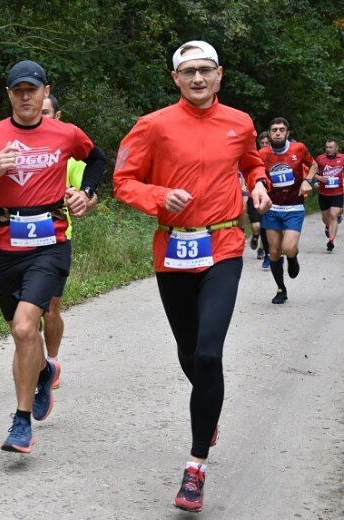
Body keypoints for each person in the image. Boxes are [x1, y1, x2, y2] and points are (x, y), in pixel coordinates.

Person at [112, 41, 271, 512]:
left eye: (206, 71)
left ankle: (195, 466)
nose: (198, 79)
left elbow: (250, 160)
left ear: (220, 75)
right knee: (188, 351)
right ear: (175, 78)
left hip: (223, 244)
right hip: (174, 249)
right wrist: (159, 196)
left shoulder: (240, 122)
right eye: (189, 72)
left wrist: (259, 183)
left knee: (207, 350)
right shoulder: (153, 125)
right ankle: (209, 406)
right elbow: (124, 181)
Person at [0, 60, 105, 454]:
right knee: (21, 335)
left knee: (25, 329)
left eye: (32, 89)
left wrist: (86, 192)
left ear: (45, 93)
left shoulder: (65, 133)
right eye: (18, 90)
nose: (25, 96)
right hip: (4, 249)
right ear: (8, 95)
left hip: (50, 243)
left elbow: (98, 159)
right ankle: (42, 372)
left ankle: (21, 424)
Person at [0, 93, 91, 390]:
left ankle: (51, 360)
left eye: (47, 112)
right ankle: (36, 366)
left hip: (53, 241)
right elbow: (10, 191)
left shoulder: (68, 153)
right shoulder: (13, 147)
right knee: (23, 324)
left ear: (57, 115)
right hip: (13, 243)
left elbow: (89, 192)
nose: (40, 116)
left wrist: (85, 198)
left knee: (50, 309)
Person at [259, 117, 317, 303]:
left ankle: (292, 258)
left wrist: (308, 181)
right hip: (272, 207)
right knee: (274, 252)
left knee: (288, 248)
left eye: (281, 130)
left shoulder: (298, 149)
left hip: (294, 206)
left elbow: (314, 165)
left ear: (287, 133)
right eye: (274, 129)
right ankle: (280, 289)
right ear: (269, 132)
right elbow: (255, 173)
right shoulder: (262, 154)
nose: (277, 132)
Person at [312, 138, 344, 251]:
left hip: (338, 192)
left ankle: (331, 240)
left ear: (336, 148)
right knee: (326, 218)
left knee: (333, 215)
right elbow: (312, 173)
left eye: (331, 147)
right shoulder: (320, 159)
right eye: (327, 147)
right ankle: (327, 226)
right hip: (324, 193)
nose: (328, 150)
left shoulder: (342, 158)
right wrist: (317, 180)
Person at [250, 131, 271, 266]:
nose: (264, 145)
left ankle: (263, 251)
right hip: (253, 196)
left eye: (266, 143)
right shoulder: (254, 156)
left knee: (264, 225)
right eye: (261, 143)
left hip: (268, 196)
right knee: (256, 226)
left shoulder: (275, 157)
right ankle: (255, 236)